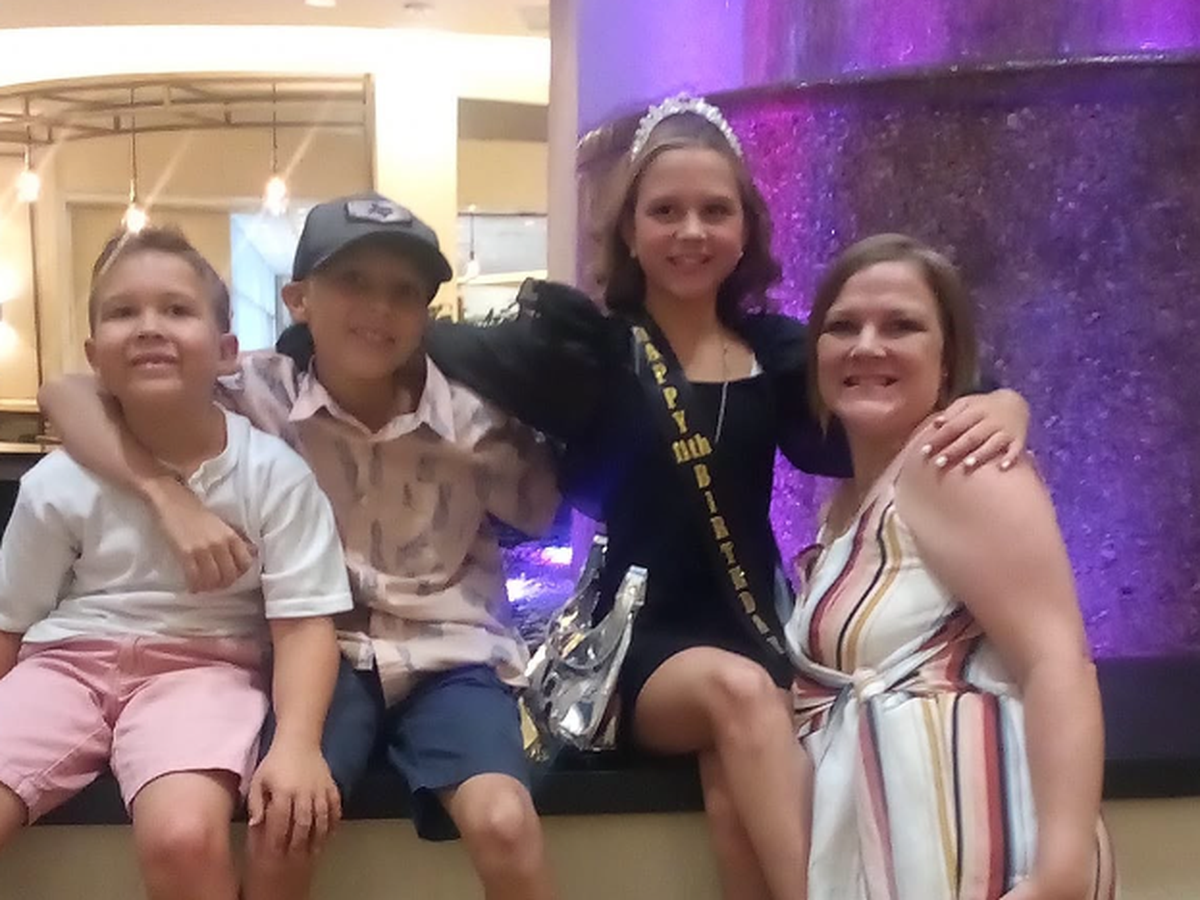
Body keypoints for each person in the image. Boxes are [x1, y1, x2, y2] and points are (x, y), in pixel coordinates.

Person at [421, 97, 1031, 900]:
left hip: (754, 627)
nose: (691, 231)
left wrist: (1008, 403)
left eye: (715, 211)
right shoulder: (590, 351)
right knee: (740, 696)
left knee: (733, 794)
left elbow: (918, 383)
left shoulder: (775, 353)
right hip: (635, 645)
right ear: (629, 229)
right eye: (665, 211)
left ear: (745, 229)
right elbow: (434, 344)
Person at [39, 195, 562, 900]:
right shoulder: (254, 394)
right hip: (320, 655)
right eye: (352, 282)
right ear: (299, 299)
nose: (378, 309)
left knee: (505, 821)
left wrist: (550, 411)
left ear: (426, 313)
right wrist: (166, 495)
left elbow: (551, 513)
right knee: (282, 824)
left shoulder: (473, 419)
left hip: (452, 654)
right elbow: (67, 393)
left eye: (404, 292)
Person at [0, 227, 351, 900]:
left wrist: (297, 743)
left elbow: (305, 623)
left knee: (184, 837)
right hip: (63, 666)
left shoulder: (274, 475)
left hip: (203, 671)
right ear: (93, 357)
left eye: (177, 309)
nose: (148, 327)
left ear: (226, 353)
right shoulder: (57, 482)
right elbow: (11, 620)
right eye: (122, 312)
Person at [787, 233, 1116, 899]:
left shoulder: (961, 466)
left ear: (947, 362)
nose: (867, 345)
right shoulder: (844, 504)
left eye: (901, 326)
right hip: (902, 852)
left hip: (988, 855)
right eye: (843, 326)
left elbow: (1058, 663)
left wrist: (1059, 874)